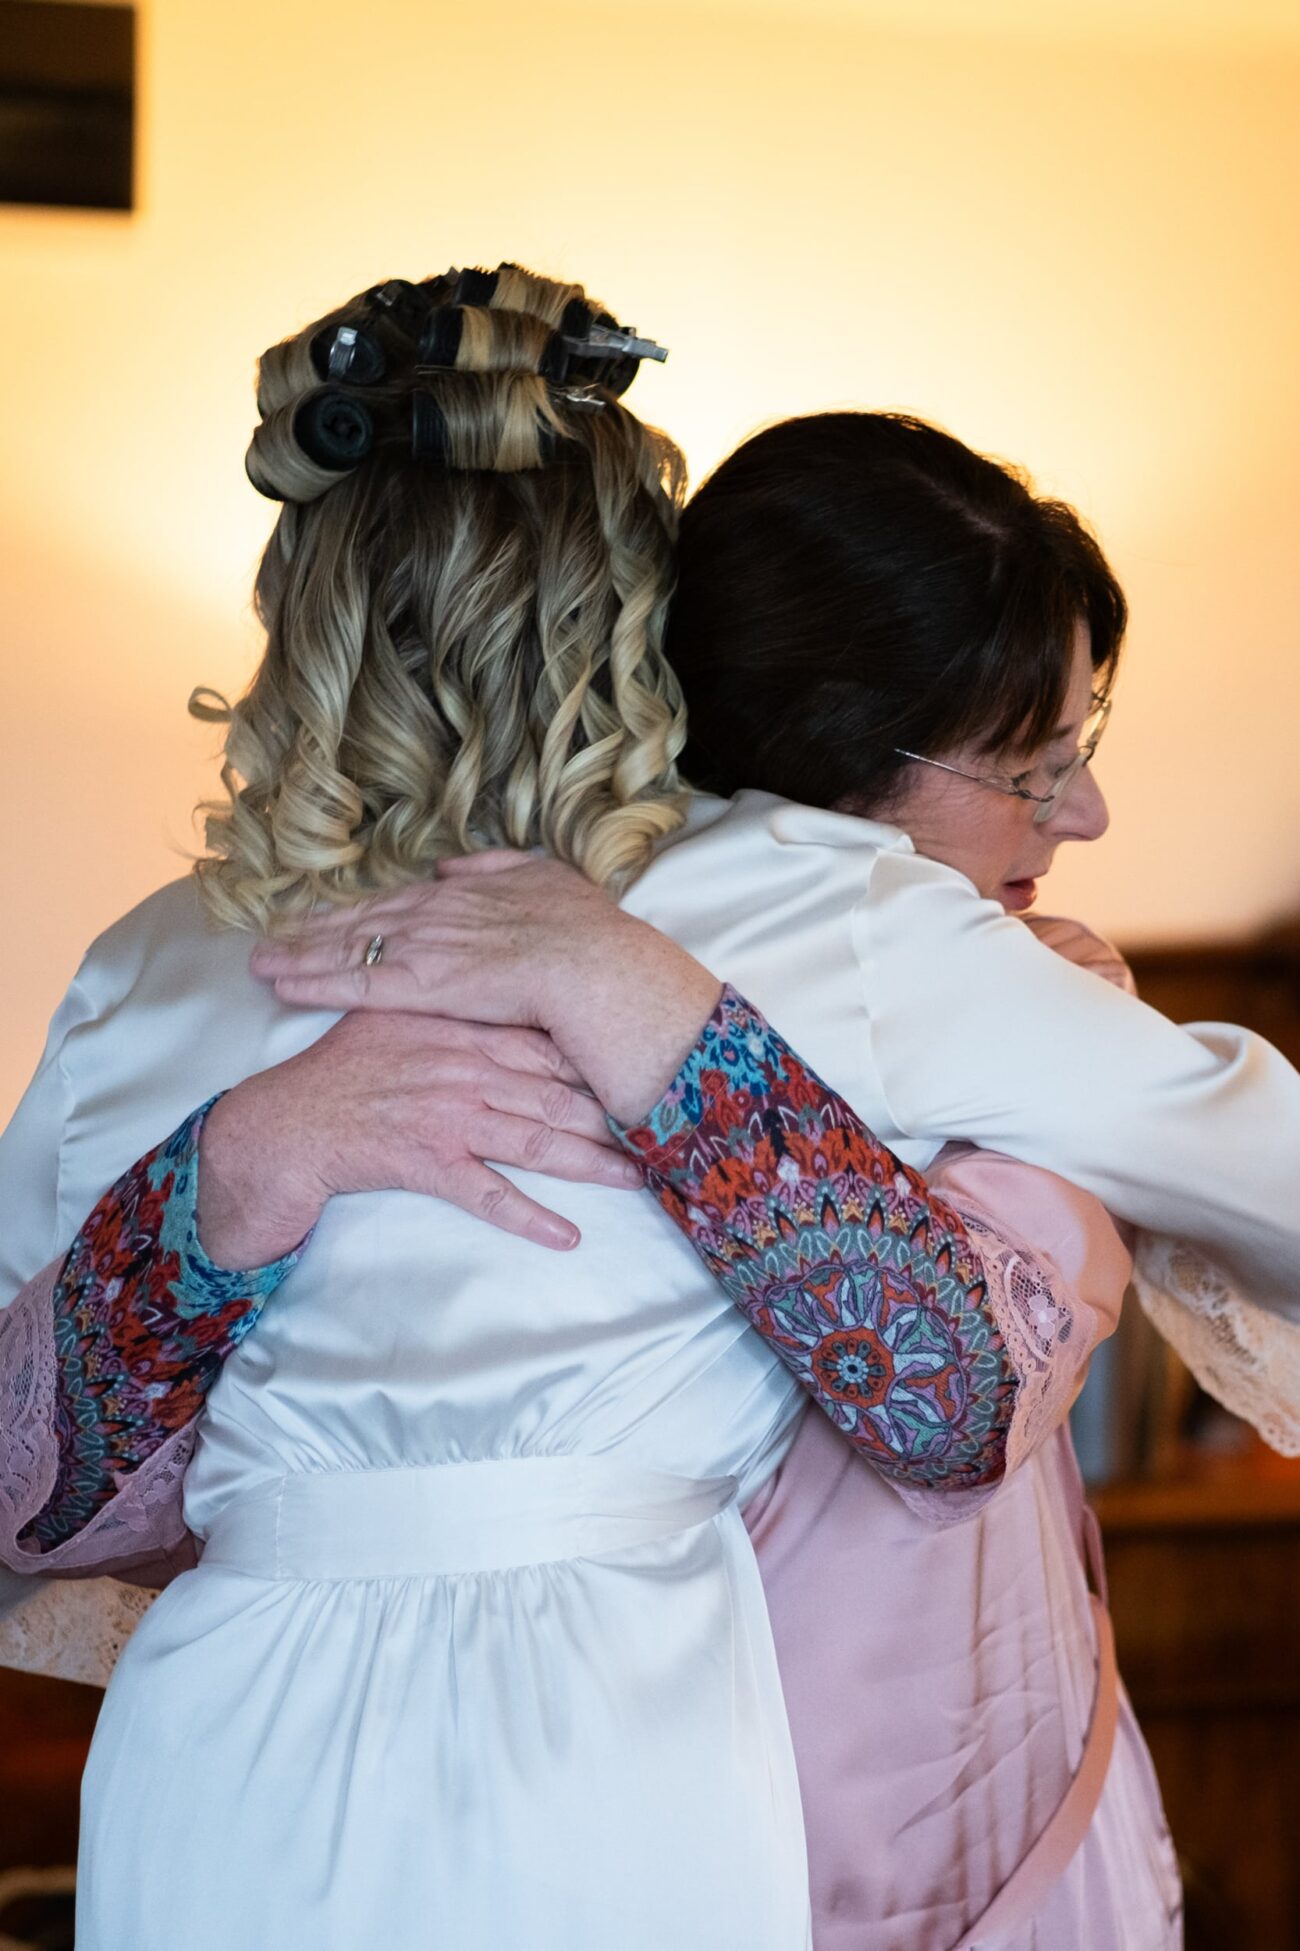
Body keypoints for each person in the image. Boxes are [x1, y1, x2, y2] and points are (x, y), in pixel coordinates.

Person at [2, 264, 1298, 1949]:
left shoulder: (154, 966)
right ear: (636, 602)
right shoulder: (817, 900)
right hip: (525, 1713)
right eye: (1041, 761)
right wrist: (244, 1160)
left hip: (461, 1718)